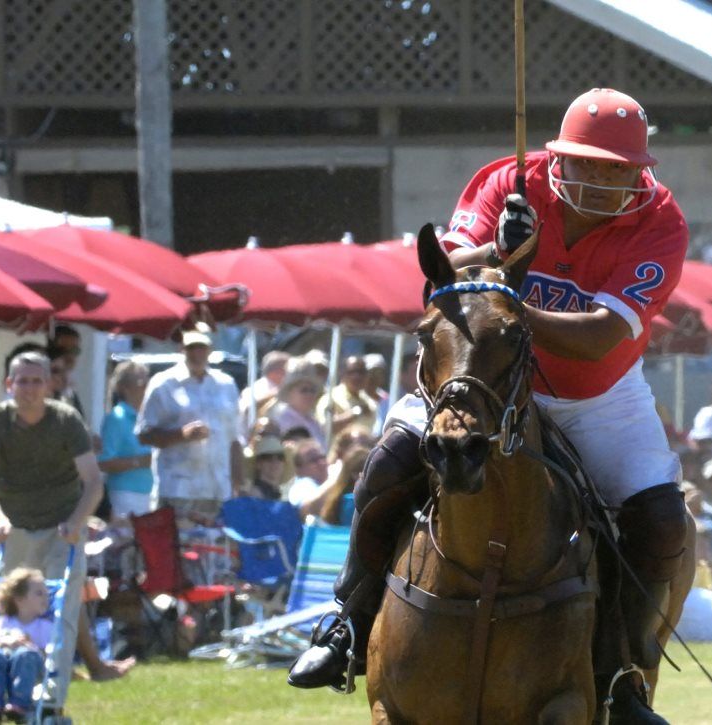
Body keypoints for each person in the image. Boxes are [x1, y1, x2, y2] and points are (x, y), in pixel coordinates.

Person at [290, 87, 691, 724]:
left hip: (595, 396)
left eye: (616, 170)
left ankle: (620, 675)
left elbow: (601, 336)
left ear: (640, 174)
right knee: (388, 460)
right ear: (558, 157)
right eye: (585, 162)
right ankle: (345, 622)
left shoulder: (661, 225)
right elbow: (441, 274)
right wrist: (494, 256)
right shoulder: (510, 181)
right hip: (482, 374)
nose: (598, 179)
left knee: (662, 521)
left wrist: (510, 302)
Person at [0, 351, 129, 710]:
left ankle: (50, 700)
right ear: (9, 385)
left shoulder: (65, 420)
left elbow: (94, 483)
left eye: (37, 381)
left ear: (49, 385)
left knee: (61, 612)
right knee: (7, 612)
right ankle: (5, 692)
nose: (30, 389)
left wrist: (77, 521)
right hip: (15, 526)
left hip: (62, 527)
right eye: (22, 381)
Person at [136, 326, 242, 523]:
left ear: (210, 349)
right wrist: (181, 435)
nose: (196, 353)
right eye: (191, 348)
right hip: (178, 489)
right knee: (179, 549)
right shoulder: (163, 383)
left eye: (201, 347)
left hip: (218, 488)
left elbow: (235, 439)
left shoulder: (226, 384)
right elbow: (144, 434)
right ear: (181, 349)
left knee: (214, 550)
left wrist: (238, 484)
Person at [0, 568, 52, 721]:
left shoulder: (44, 626)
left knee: (25, 654)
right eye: (39, 593)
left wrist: (28, 643)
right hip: (4, 664)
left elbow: (47, 654)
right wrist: (4, 643)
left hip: (32, 668)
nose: (46, 598)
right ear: (19, 599)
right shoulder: (3, 622)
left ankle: (19, 703)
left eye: (46, 593)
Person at [98, 361, 155, 519]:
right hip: (125, 495)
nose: (147, 387)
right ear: (124, 387)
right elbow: (104, 462)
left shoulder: (149, 416)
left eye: (148, 382)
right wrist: (140, 462)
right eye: (141, 383)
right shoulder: (116, 418)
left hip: (151, 493)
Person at [317, 356, 378, 436]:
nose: (357, 377)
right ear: (342, 374)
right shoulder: (331, 398)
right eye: (352, 372)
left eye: (361, 372)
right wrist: (353, 414)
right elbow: (324, 428)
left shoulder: (370, 403)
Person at [240, 350, 290, 439]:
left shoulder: (286, 389)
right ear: (277, 371)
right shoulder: (256, 389)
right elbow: (248, 409)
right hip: (259, 441)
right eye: (288, 369)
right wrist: (275, 394)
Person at [268, 369, 325, 447]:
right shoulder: (280, 419)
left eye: (312, 390)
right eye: (304, 390)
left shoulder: (313, 420)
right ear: (289, 393)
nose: (309, 395)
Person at [284, 441, 331, 519]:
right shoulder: (301, 486)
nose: (321, 462)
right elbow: (307, 509)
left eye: (322, 457)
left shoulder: (325, 483)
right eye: (313, 460)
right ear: (299, 470)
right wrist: (336, 480)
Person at [245, 436, 288, 500]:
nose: (275, 462)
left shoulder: (278, 493)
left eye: (280, 457)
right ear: (258, 464)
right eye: (268, 457)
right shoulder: (255, 495)